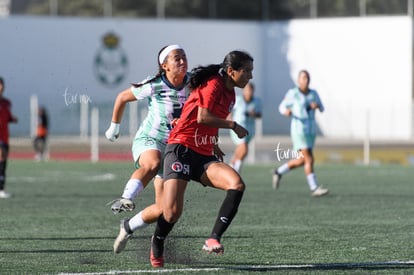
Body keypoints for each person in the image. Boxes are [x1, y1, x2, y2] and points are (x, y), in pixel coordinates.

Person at [149, 50, 253, 268]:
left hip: (204, 154)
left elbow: (210, 121)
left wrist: (213, 142)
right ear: (231, 71)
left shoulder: (231, 94)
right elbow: (202, 116)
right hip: (181, 148)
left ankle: (213, 238)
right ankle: (157, 240)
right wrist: (232, 125)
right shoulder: (214, 84)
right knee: (172, 212)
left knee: (237, 184)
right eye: (246, 71)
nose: (250, 76)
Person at [104, 45, 190, 254]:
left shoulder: (194, 82)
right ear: (164, 65)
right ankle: (127, 197)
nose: (182, 61)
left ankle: (128, 226)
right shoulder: (155, 83)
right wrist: (114, 127)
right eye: (176, 58)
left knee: (166, 210)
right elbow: (122, 97)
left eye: (184, 57)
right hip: (150, 139)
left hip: (173, 147)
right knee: (152, 163)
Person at [272, 70, 328, 197]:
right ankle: (314, 188)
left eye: (307, 77)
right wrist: (286, 111)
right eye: (303, 78)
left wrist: (317, 106)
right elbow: (281, 107)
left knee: (302, 160)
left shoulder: (313, 93)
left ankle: (278, 172)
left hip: (310, 131)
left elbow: (322, 108)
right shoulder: (293, 93)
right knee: (309, 158)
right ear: (298, 80)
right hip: (299, 130)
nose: (306, 80)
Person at [228, 82, 262, 173]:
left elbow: (259, 115)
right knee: (244, 148)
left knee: (241, 151)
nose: (249, 92)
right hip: (238, 129)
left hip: (249, 130)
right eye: (247, 90)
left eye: (251, 90)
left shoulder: (256, 101)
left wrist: (254, 114)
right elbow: (229, 110)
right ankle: (236, 171)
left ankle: (231, 167)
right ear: (243, 90)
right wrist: (229, 118)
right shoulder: (238, 100)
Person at [0, 77, 18, 199]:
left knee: (4, 162)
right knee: (1, 157)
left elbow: (7, 117)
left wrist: (12, 119)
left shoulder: (7, 102)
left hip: (5, 136)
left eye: (1, 85)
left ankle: (1, 189)